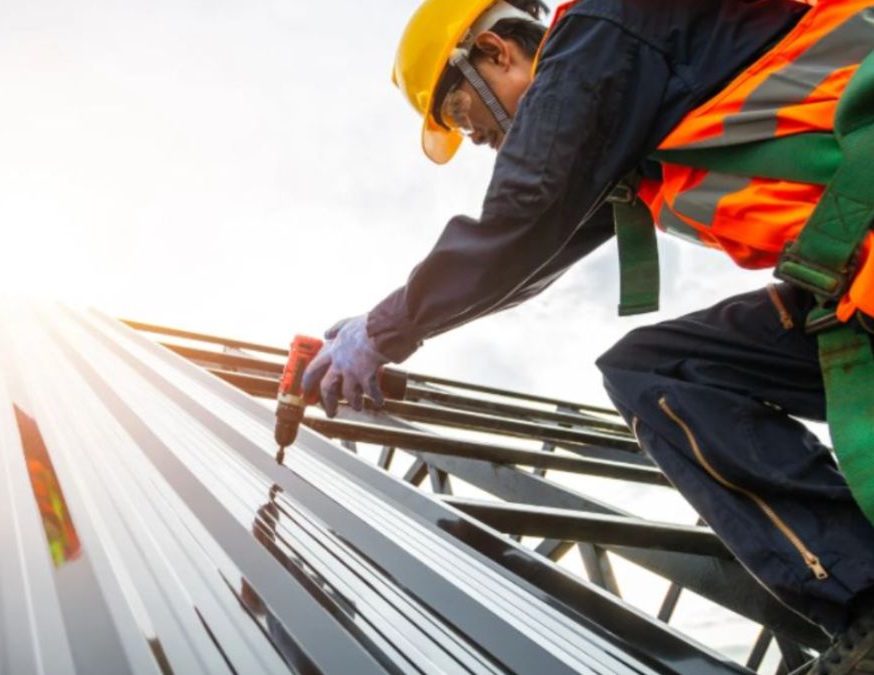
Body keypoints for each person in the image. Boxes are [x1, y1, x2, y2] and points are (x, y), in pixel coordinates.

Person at [301, 0, 874, 671]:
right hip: (855, 282)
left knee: (659, 368)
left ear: (494, 51)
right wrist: (388, 326)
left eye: (463, 115)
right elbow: (531, 256)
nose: (480, 139)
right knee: (658, 371)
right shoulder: (629, 109)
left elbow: (526, 214)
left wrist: (386, 328)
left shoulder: (604, 28)